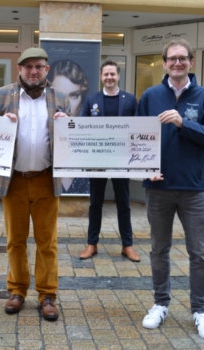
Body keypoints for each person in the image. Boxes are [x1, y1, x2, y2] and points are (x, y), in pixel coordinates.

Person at [136, 39, 204, 340]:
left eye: (182, 58)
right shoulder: (150, 96)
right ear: (163, 63)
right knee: (159, 249)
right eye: (171, 59)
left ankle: (200, 310)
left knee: (199, 253)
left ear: (191, 62)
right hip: (158, 188)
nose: (177, 63)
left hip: (194, 189)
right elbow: (136, 138)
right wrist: (145, 169)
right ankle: (160, 303)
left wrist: (184, 123)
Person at [0, 47, 70, 322]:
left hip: (46, 179)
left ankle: (47, 295)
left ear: (47, 70)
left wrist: (68, 125)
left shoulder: (60, 97)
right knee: (15, 241)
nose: (33, 71)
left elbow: (71, 140)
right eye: (28, 66)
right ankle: (17, 291)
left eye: (39, 66)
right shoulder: (2, 95)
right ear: (19, 69)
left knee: (48, 242)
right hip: (14, 181)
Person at [78, 60, 140, 263]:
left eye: (113, 74)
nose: (109, 77)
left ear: (118, 76)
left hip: (122, 159)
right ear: (101, 76)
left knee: (124, 203)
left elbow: (138, 128)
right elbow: (82, 126)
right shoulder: (92, 99)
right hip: (98, 158)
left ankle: (127, 246)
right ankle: (91, 244)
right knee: (95, 203)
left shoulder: (130, 100)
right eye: (106, 74)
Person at [48, 59, 90, 194]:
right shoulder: (37, 138)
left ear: (82, 97)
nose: (66, 103)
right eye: (58, 95)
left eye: (74, 95)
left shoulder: (90, 142)